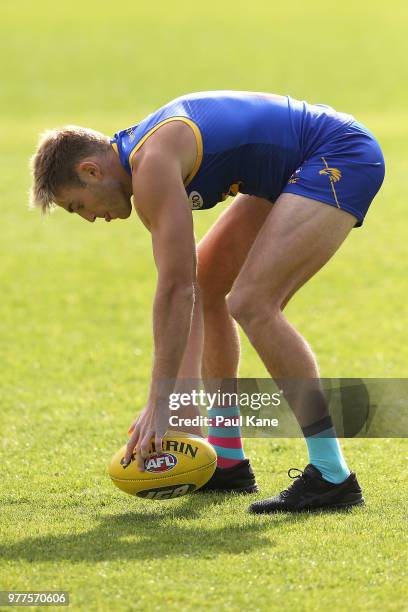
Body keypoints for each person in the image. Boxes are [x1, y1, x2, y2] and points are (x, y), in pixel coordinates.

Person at [29, 91, 385, 512]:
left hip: (338, 154)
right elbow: (185, 288)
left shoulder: (151, 167)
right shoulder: (141, 162)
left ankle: (332, 474)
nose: (90, 218)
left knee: (253, 303)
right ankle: (229, 460)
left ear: (90, 170)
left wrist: (160, 401)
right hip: (290, 170)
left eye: (78, 205)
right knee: (208, 283)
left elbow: (173, 290)